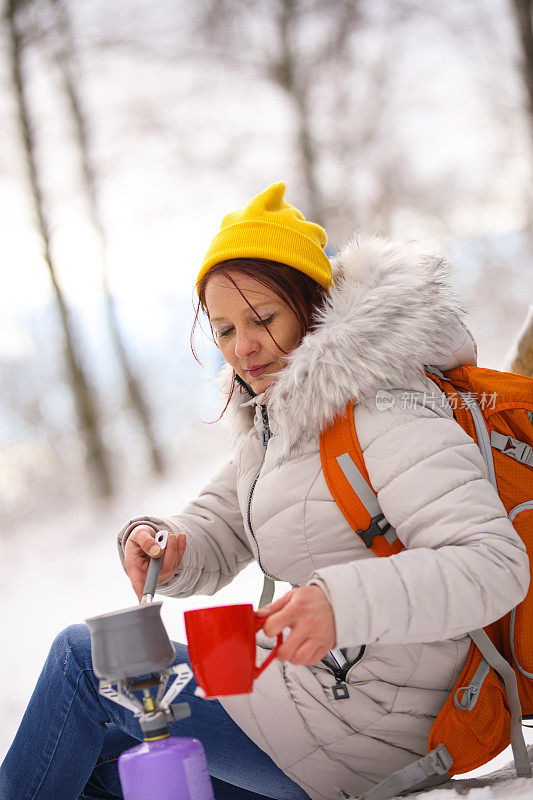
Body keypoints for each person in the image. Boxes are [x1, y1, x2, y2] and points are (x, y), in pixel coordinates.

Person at [0, 182, 529, 800]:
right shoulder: (282, 419)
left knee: (85, 663)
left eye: (262, 319)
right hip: (311, 694)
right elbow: (221, 520)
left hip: (370, 721)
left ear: (312, 305)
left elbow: (493, 565)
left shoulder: (386, 407)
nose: (242, 347)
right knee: (99, 767)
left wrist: (339, 604)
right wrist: (171, 545)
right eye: (223, 329)